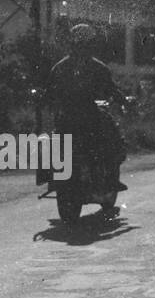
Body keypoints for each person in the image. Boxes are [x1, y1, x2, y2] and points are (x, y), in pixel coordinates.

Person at [44, 23, 129, 190]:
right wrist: (124, 101)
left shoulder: (59, 67)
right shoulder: (97, 67)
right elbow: (112, 90)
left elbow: (48, 94)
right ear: (91, 44)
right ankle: (110, 178)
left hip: (65, 117)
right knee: (112, 138)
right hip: (89, 115)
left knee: (57, 139)